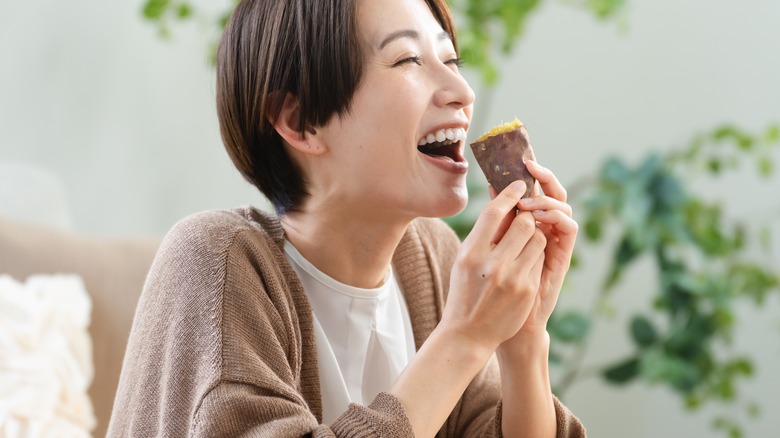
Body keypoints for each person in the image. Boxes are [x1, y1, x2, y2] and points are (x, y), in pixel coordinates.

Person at [108, 0, 585, 436]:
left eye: (451, 61)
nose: (462, 91)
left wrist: (522, 340)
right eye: (408, 61)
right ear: (300, 121)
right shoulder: (214, 263)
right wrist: (463, 337)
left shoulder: (434, 256)